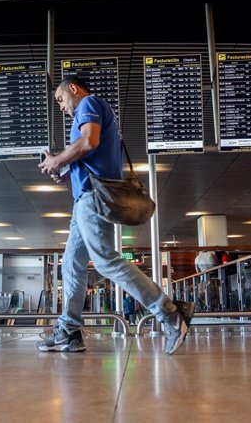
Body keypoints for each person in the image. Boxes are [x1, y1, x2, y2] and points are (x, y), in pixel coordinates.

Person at [37, 76, 194, 354]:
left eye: (60, 100)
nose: (61, 107)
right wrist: (66, 171)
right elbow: (88, 151)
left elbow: (89, 142)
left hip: (93, 199)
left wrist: (57, 160)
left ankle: (171, 312)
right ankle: (69, 331)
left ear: (72, 89)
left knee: (105, 261)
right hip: (83, 199)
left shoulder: (88, 102)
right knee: (71, 264)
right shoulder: (88, 112)